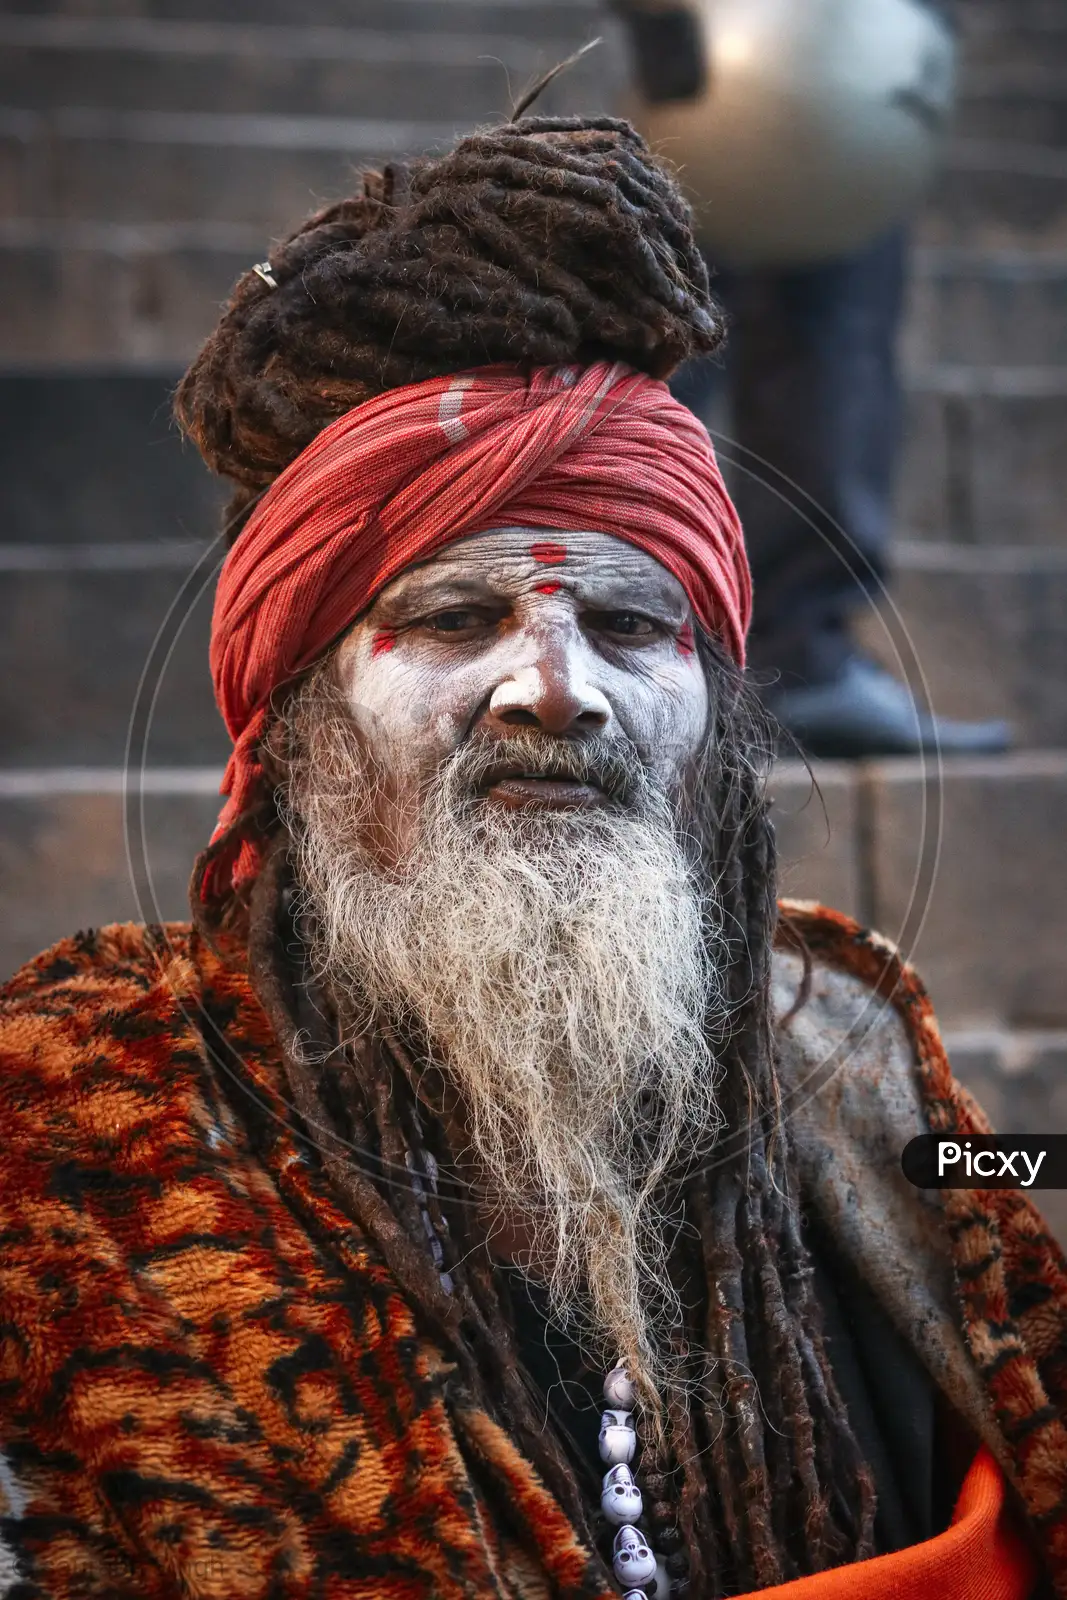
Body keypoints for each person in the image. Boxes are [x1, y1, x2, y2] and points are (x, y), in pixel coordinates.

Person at [0, 115, 1062, 1600]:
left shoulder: (845, 1040)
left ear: (713, 714)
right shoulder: (70, 1122)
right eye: (452, 620)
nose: (553, 687)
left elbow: (988, 1188)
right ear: (298, 718)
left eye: (629, 627)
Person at [611, 0, 1011, 759]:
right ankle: (620, 626)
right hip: (724, 42)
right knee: (660, 307)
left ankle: (796, 653)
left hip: (856, 51)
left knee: (825, 312)